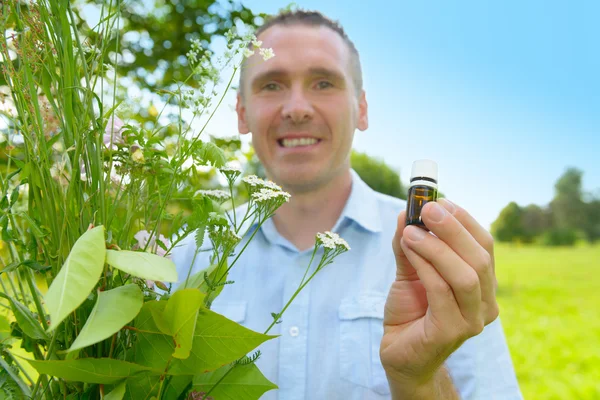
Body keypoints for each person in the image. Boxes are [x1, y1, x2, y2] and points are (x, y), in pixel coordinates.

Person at [172, 9, 523, 400]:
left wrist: (419, 381)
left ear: (362, 109)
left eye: (324, 82)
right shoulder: (184, 260)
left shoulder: (437, 260)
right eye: (272, 85)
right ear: (241, 112)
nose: (297, 107)